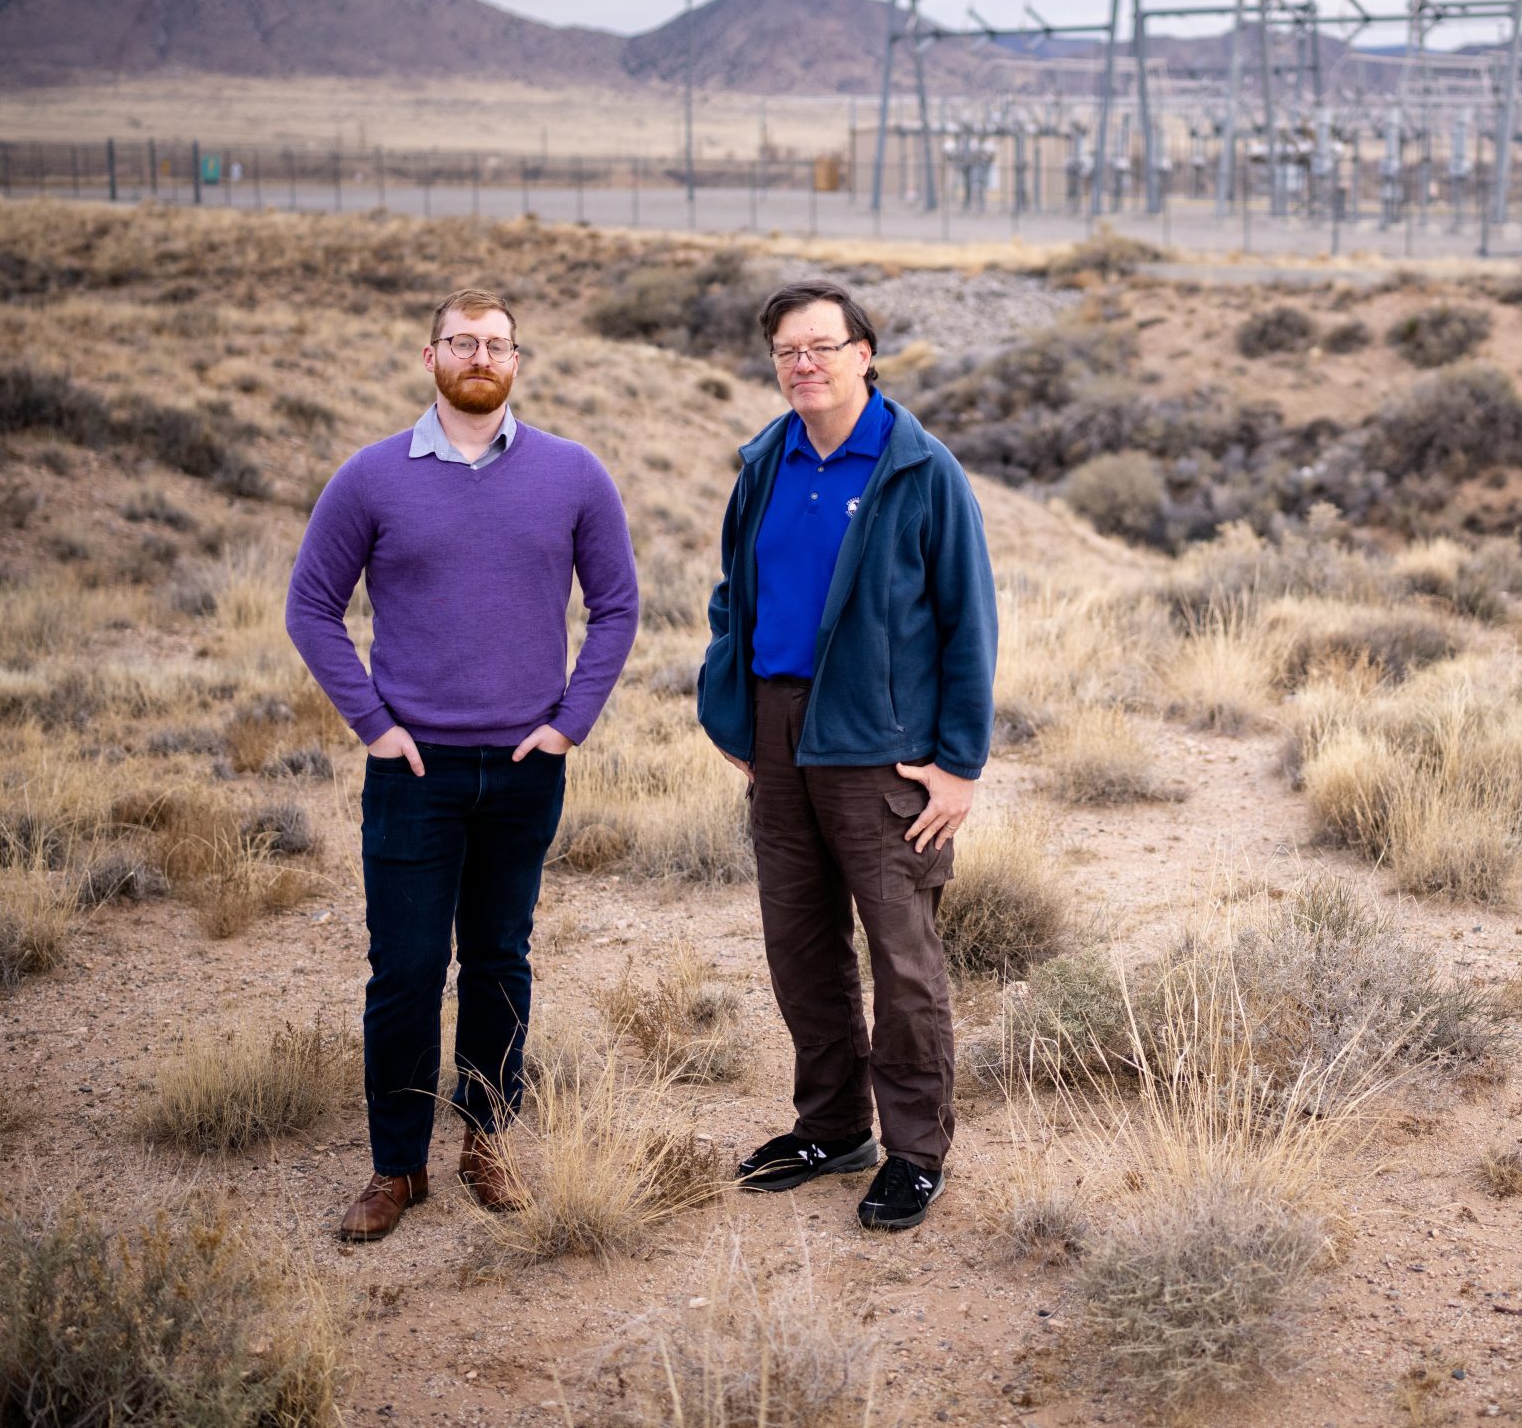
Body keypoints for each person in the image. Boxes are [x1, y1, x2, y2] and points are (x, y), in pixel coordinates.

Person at [286, 289, 639, 1243]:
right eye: (461, 342)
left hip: (527, 765)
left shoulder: (572, 473)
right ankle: (397, 1166)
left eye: (497, 344)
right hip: (414, 771)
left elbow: (617, 606)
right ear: (429, 354)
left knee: (498, 961)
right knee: (404, 970)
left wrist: (570, 724)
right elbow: (311, 605)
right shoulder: (370, 478)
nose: (479, 355)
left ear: (517, 361)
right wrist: (372, 723)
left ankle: (488, 1137)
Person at [696, 279, 996, 1233]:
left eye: (822, 346)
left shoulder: (920, 468)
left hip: (883, 748)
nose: (805, 364)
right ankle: (832, 1125)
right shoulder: (765, 463)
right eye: (787, 350)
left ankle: (915, 1149)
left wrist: (959, 764)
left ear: (864, 352)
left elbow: (968, 620)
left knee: (903, 955)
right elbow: (730, 597)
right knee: (800, 944)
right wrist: (735, 715)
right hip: (779, 740)